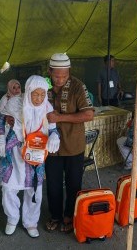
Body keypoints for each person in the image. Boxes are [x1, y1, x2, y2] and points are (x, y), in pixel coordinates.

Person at [0, 76, 60, 237]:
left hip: (35, 155)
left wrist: (54, 137)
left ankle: (30, 222)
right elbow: (1, 120)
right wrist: (1, 138)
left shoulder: (47, 107)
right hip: (15, 153)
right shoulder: (15, 103)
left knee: (34, 190)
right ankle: (12, 218)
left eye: (42, 94)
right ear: (28, 91)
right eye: (35, 94)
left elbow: (53, 129)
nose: (39, 99)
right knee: (9, 188)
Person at [45, 53, 94, 233]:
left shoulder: (78, 86)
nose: (60, 79)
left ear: (69, 72)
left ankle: (69, 215)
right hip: (50, 147)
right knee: (53, 183)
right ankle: (55, 216)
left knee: (74, 183)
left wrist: (61, 117)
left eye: (64, 76)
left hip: (73, 145)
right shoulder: (42, 86)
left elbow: (89, 114)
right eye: (56, 75)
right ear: (49, 71)